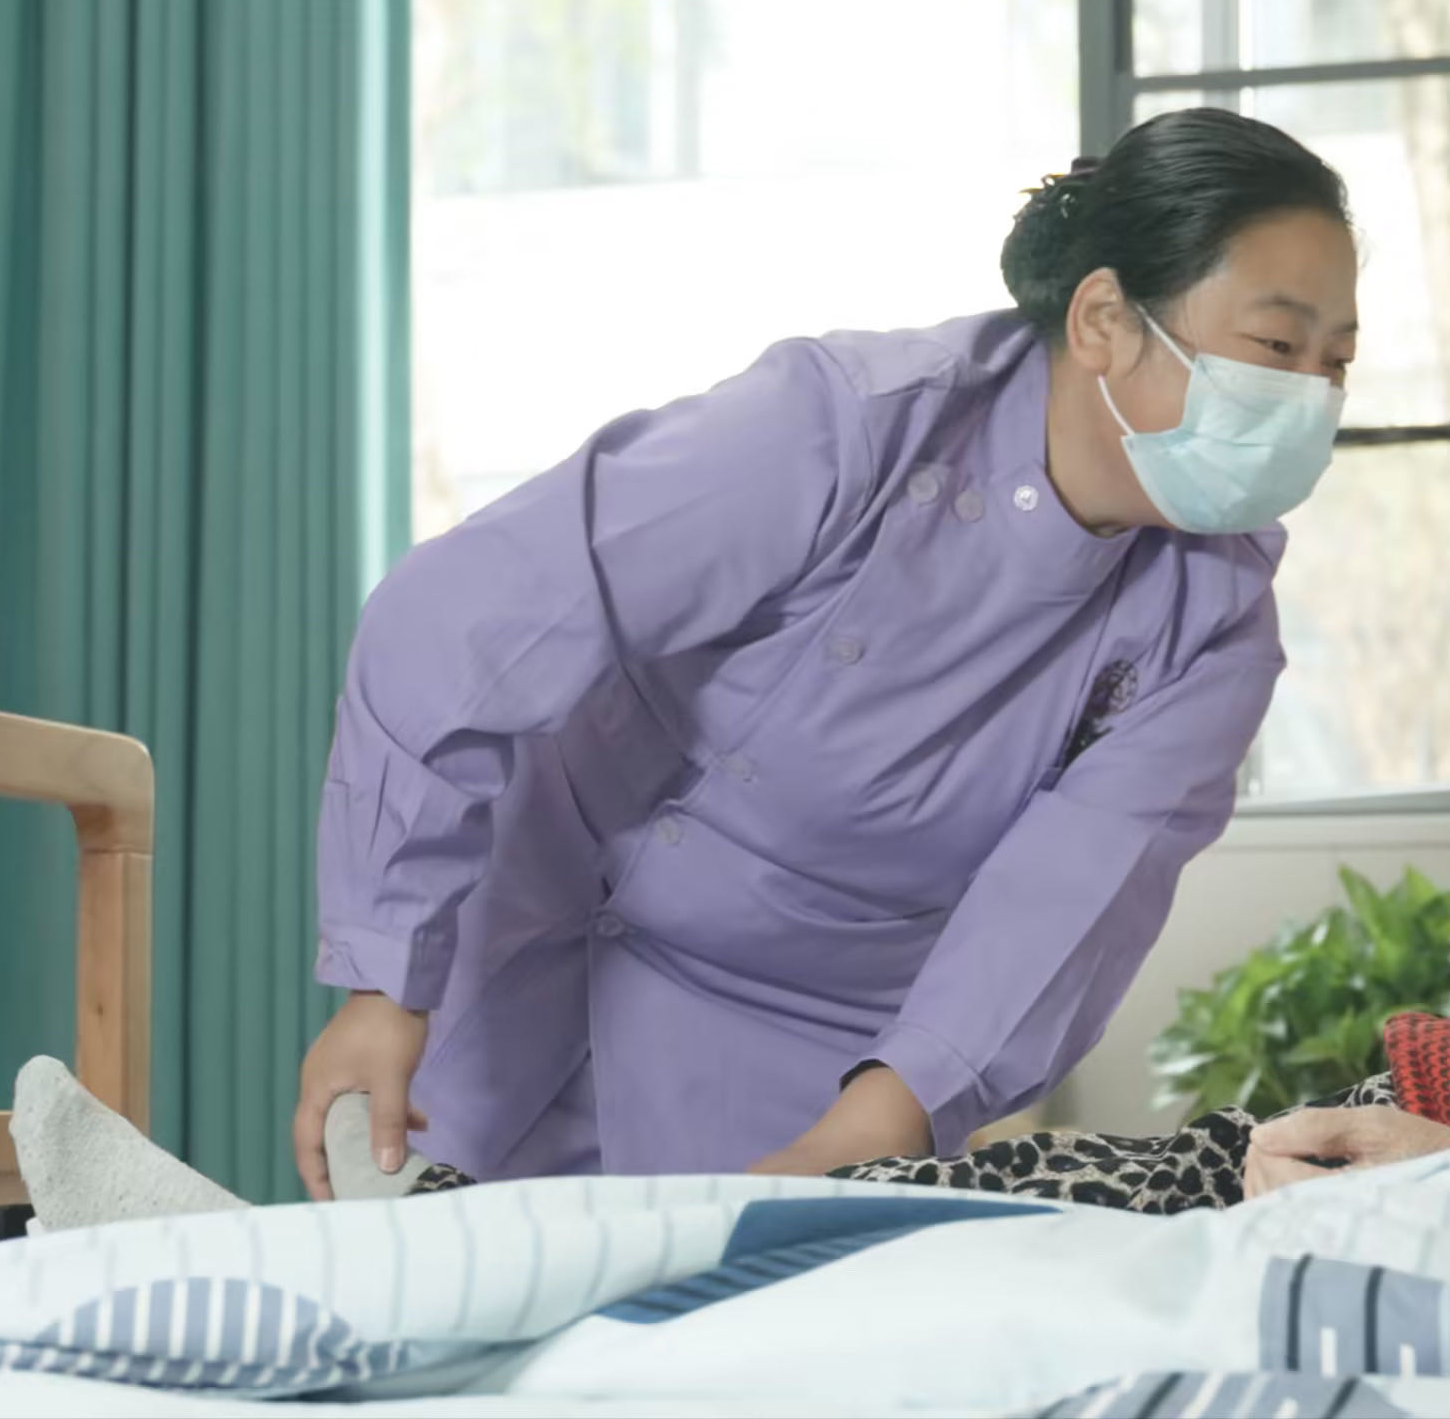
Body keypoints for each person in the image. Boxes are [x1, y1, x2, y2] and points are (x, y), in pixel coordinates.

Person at [293, 108, 1361, 1199]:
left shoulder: (1213, 629)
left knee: (724, 1297)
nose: (1309, 399)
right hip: (515, 940)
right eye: (1277, 349)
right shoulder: (849, 425)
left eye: (1337, 362)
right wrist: (386, 977)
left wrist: (866, 1132)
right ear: (1103, 319)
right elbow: (468, 619)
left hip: (797, 1050)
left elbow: (1064, 908)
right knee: (415, 1269)